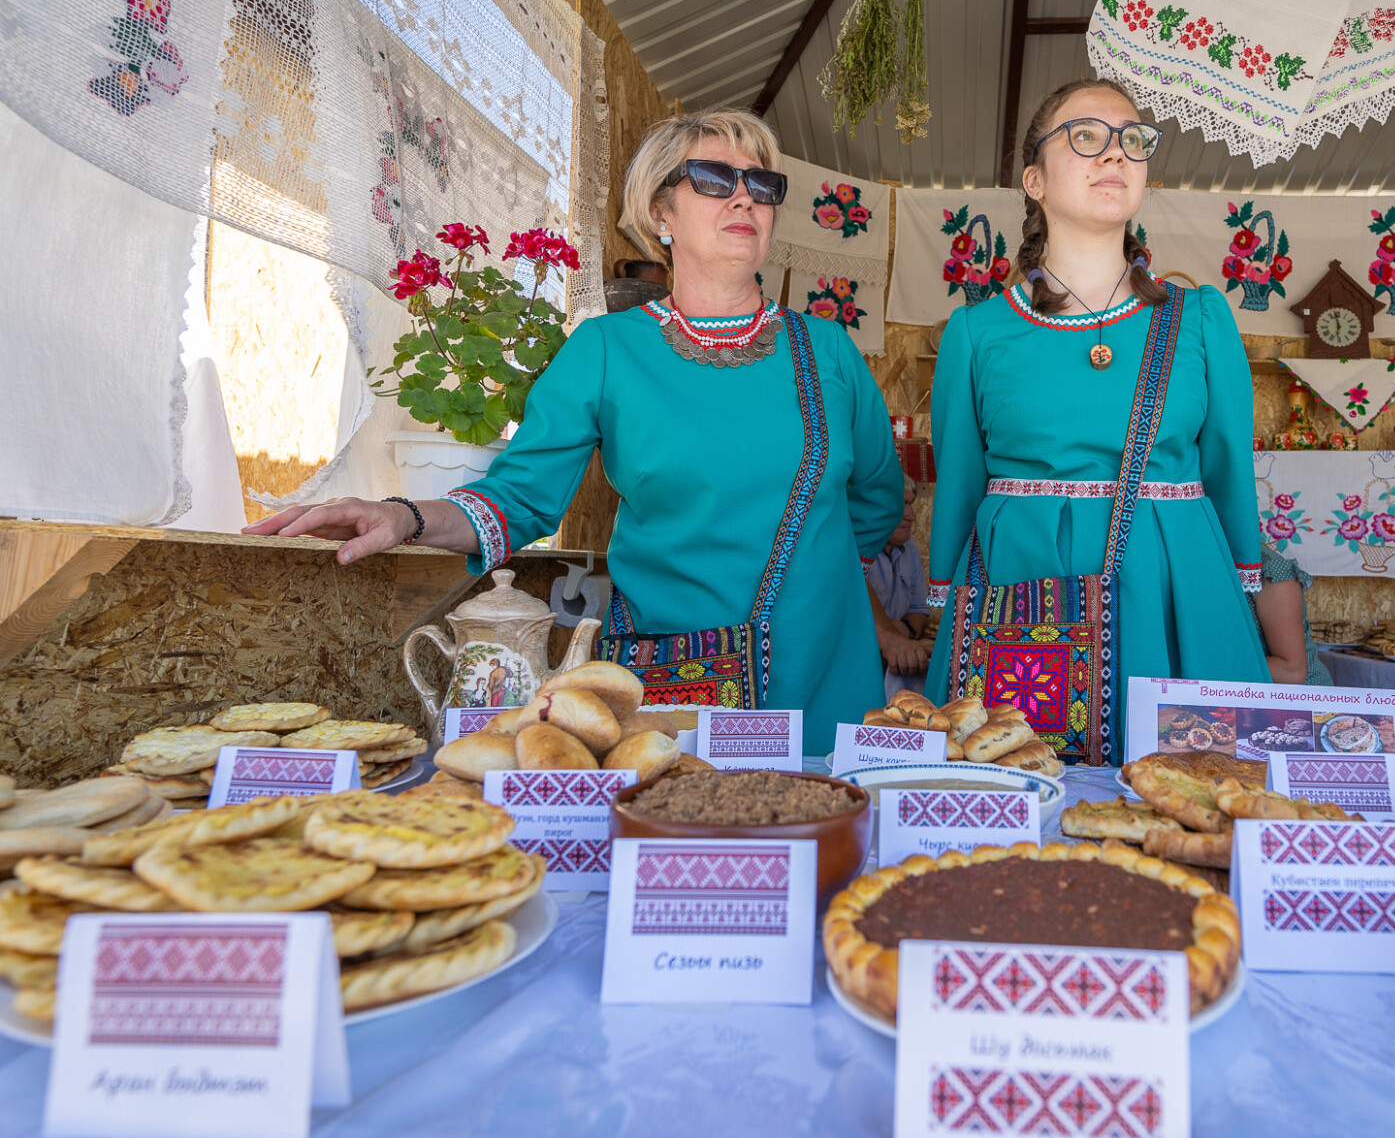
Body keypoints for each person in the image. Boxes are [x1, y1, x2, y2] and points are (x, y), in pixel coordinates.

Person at [244, 109, 903, 754]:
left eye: (762, 186)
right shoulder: (607, 350)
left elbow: (876, 500)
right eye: (713, 177)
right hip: (672, 695)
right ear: (659, 212)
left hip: (826, 686)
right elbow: (520, 497)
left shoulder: (827, 352)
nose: (743, 197)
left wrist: (815, 584)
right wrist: (401, 516)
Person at [924, 78, 1268, 761]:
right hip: (1017, 589)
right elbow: (959, 484)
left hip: (1177, 588)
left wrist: (1240, 590)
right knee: (1012, 785)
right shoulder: (976, 333)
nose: (1115, 154)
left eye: (1132, 140)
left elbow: (1231, 475)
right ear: (1035, 181)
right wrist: (941, 597)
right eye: (1086, 137)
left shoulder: (1198, 319)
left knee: (1190, 792)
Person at [867, 479, 932, 696]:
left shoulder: (907, 542)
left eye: (910, 504)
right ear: (872, 509)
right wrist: (892, 639)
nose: (911, 515)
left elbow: (920, 609)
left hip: (893, 661)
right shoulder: (850, 548)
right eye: (901, 505)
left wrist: (904, 632)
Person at [1252, 544, 1330, 686]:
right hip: (1240, 696)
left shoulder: (1271, 569)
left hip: (1301, 699)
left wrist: (1208, 663)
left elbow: (1292, 671)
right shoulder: (1208, 566)